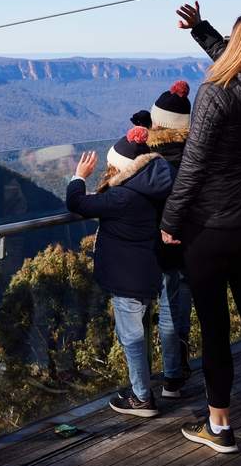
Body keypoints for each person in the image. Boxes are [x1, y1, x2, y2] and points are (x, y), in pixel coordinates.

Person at [162, 9, 241, 452]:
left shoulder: (215, 92)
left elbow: (193, 165)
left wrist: (170, 221)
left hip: (209, 226)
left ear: (238, 46)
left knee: (214, 326)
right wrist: (202, 30)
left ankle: (219, 425)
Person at [67, 127, 175, 417]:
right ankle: (165, 380)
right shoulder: (155, 186)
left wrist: (79, 176)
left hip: (128, 278)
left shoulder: (123, 197)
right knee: (147, 328)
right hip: (150, 270)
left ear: (124, 168)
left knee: (132, 337)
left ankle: (141, 397)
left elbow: (76, 203)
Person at [145, 81, 194, 398]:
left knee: (167, 305)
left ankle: (172, 374)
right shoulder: (195, 154)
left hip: (162, 241)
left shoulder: (151, 159)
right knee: (183, 301)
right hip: (194, 239)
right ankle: (182, 364)